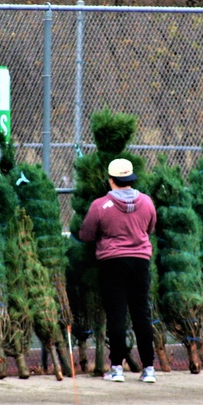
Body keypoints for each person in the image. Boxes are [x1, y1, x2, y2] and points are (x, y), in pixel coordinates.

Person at [78, 158, 158, 383]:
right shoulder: (147, 202)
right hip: (141, 262)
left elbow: (86, 234)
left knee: (117, 315)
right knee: (142, 314)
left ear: (111, 180)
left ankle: (116, 369)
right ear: (131, 178)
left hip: (112, 263)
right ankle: (149, 369)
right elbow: (150, 228)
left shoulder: (100, 205)